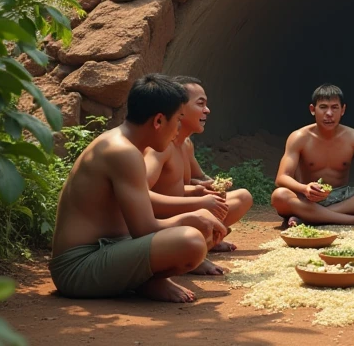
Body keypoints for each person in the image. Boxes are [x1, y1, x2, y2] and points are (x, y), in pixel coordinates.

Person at [50, 74, 227, 303]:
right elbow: (145, 228)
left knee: (195, 236)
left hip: (113, 248)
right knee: (191, 241)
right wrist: (191, 218)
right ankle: (146, 281)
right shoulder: (122, 151)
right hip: (79, 267)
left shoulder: (127, 146)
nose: (178, 130)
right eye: (178, 120)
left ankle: (146, 281)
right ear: (159, 121)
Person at [143, 76, 253, 274]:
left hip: (185, 216)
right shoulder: (160, 148)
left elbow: (199, 179)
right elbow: (139, 195)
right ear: (179, 109)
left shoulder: (186, 144)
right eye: (200, 104)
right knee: (203, 214)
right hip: (163, 226)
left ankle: (206, 243)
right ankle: (195, 252)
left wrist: (212, 187)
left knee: (242, 196)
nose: (207, 110)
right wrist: (197, 200)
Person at [270, 84, 354, 226]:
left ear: (343, 110)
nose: (329, 113)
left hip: (343, 197)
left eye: (334, 107)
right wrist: (304, 189)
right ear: (313, 109)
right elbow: (281, 178)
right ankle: (351, 219)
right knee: (279, 195)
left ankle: (309, 217)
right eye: (323, 107)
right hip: (309, 198)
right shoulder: (299, 137)